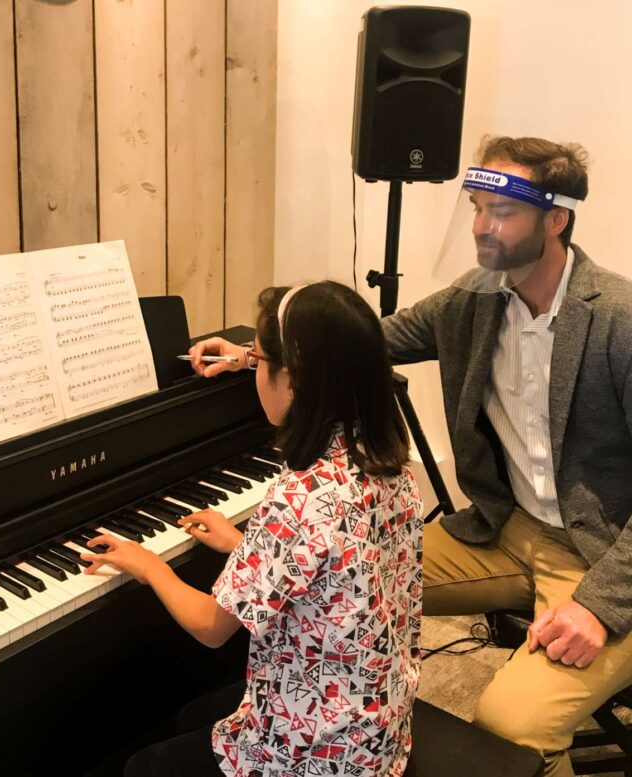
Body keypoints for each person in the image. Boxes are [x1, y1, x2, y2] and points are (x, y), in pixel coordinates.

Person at [191, 136, 632, 777]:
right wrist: (253, 352)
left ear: (556, 218)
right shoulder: (474, 300)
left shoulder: (618, 319)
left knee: (513, 722)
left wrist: (598, 606)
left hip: (604, 558)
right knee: (348, 588)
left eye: (501, 212)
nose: (482, 227)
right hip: (502, 532)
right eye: (476, 207)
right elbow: (362, 343)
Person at [81, 281, 424, 777]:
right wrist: (248, 547)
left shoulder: (300, 499)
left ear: (295, 378)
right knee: (192, 715)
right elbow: (341, 569)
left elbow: (212, 627)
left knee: (142, 765)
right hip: (378, 731)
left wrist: (148, 564)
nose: (253, 370)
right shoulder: (387, 462)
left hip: (317, 755)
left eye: (260, 361)